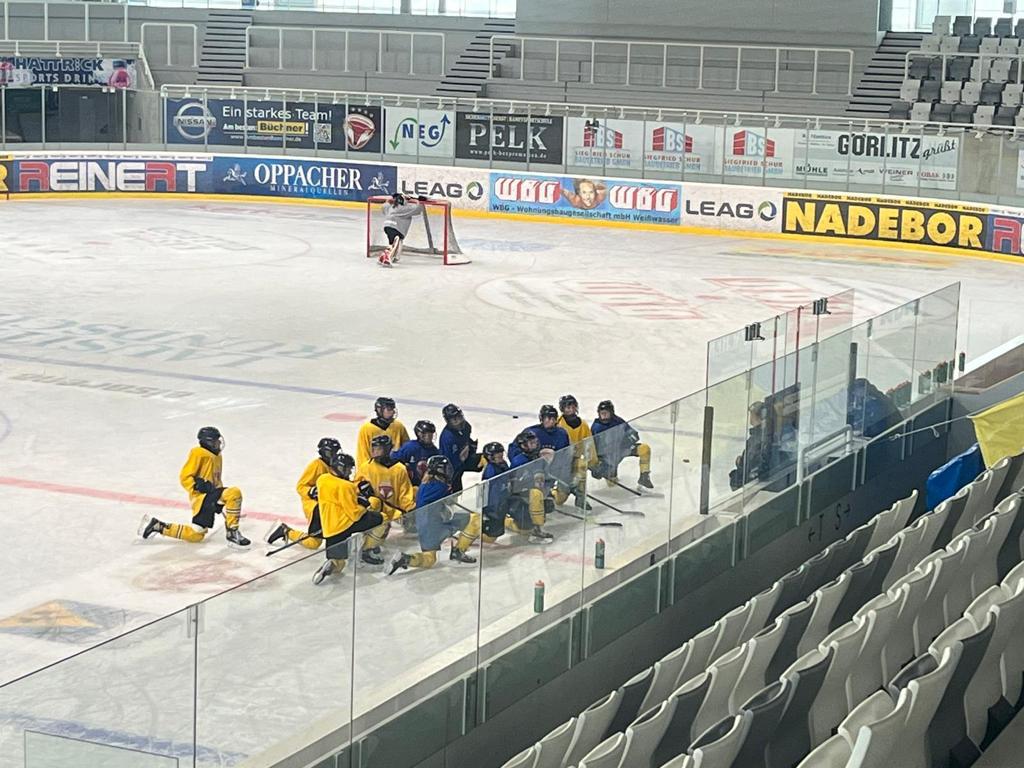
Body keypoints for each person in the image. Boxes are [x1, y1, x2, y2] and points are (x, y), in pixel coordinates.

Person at [139, 426, 251, 547]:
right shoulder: (198, 453)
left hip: (211, 497)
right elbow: (185, 476)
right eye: (215, 440)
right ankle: (232, 534)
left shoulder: (217, 456)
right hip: (201, 499)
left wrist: (224, 504)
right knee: (233, 493)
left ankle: (157, 526)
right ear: (208, 442)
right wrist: (197, 485)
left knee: (196, 534)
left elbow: (217, 480)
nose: (219, 442)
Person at [387, 456, 481, 574]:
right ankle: (459, 551)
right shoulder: (439, 486)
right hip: (434, 524)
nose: (447, 472)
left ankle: (405, 559)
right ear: (436, 471)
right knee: (475, 519)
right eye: (444, 469)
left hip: (427, 524)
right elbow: (442, 508)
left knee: (429, 559)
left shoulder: (430, 482)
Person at [311, 451, 384, 585]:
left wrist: (355, 497)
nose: (350, 472)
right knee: (379, 519)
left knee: (339, 563)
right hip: (345, 524)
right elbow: (355, 515)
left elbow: (336, 498)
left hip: (329, 527)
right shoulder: (347, 486)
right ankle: (366, 549)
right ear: (340, 468)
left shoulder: (322, 479)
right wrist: (364, 505)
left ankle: (331, 564)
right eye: (348, 469)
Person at [265, 437, 341, 550]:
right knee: (313, 543)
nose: (334, 455)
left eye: (335, 451)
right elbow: (301, 486)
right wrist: (312, 492)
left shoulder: (335, 466)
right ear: (324, 452)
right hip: (314, 506)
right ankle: (286, 531)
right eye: (331, 452)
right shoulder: (317, 465)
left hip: (326, 504)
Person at [356, 434, 415, 565]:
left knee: (381, 534)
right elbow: (355, 486)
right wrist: (360, 488)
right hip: (374, 508)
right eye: (373, 448)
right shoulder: (366, 467)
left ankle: (371, 544)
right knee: (375, 525)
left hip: (391, 509)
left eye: (379, 448)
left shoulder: (399, 468)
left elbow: (404, 492)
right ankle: (366, 550)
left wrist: (409, 509)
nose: (374, 451)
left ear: (388, 449)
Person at [481, 440, 553, 544]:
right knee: (491, 538)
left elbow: (509, 480)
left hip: (508, 499)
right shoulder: (491, 471)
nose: (500, 456)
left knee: (526, 524)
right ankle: (476, 530)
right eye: (497, 454)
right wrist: (491, 512)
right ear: (490, 457)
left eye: (501, 453)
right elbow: (492, 494)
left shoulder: (503, 464)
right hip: (496, 507)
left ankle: (521, 525)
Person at [508, 404, 574, 506]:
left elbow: (565, 454)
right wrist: (529, 462)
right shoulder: (531, 433)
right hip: (531, 475)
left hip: (551, 472)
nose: (551, 421)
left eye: (553, 418)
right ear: (542, 419)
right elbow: (514, 450)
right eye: (548, 418)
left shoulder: (562, 433)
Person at [591, 401, 654, 491]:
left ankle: (644, 477)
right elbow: (592, 448)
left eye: (606, 413)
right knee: (612, 486)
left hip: (622, 451)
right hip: (608, 459)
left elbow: (634, 435)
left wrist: (625, 443)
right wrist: (597, 466)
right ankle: (613, 477)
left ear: (611, 413)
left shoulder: (618, 421)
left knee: (644, 449)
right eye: (602, 413)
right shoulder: (596, 427)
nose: (604, 416)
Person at [557, 394, 597, 511]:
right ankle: (553, 494)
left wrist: (593, 461)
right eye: (567, 407)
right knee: (559, 500)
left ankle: (580, 497)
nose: (569, 409)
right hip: (561, 464)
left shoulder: (583, 424)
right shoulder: (559, 424)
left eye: (572, 406)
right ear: (562, 409)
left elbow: (589, 444)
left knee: (582, 465)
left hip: (575, 459)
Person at [438, 403, 484, 492]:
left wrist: (471, 446)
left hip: (464, 460)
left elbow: (466, 439)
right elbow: (449, 461)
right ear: (448, 421)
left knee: (487, 457)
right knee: (456, 491)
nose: (458, 420)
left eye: (459, 416)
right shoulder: (447, 438)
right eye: (454, 419)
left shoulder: (466, 426)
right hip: (453, 468)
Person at [356, 396, 410, 468]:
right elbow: (363, 455)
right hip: (375, 470)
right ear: (380, 410)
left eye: (393, 409)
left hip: (395, 469)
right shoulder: (366, 429)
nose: (393, 412)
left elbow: (407, 448)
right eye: (389, 409)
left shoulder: (398, 426)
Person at [378, 192, 426, 267]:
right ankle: (387, 258)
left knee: (393, 243)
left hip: (387, 227)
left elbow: (384, 205)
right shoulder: (404, 208)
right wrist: (420, 201)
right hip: (396, 228)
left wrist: (392, 198)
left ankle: (384, 257)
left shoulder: (389, 207)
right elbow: (418, 209)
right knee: (395, 242)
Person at [391, 419, 440, 488]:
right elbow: (393, 460)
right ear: (419, 434)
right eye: (426, 434)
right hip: (408, 486)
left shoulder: (435, 451)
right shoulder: (410, 447)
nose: (429, 436)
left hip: (425, 486)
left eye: (431, 434)